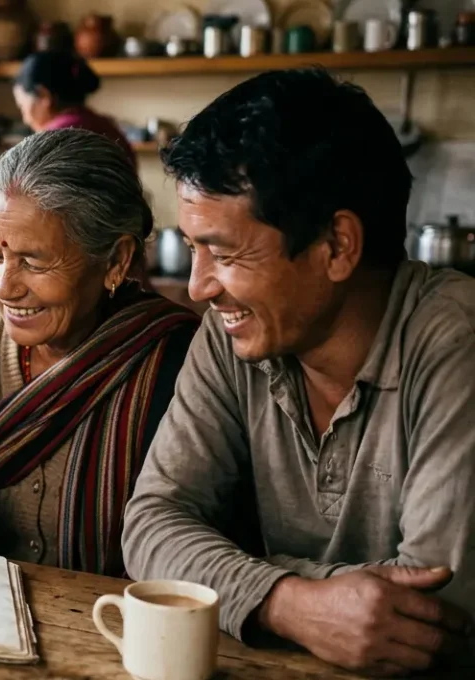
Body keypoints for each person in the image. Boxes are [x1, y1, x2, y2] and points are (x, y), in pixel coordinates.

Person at [122, 68, 475, 675]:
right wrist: (290, 603)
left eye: (226, 253)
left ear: (337, 246)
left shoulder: (455, 344)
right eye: (193, 247)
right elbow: (152, 524)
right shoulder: (236, 332)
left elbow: (431, 620)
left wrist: (236, 571)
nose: (200, 286)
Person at [0, 128, 198, 575]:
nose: (5, 285)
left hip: (120, 621)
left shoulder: (175, 360)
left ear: (115, 261)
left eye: (33, 261)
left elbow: (194, 537)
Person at [0, 51, 135, 275]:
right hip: (118, 267)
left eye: (22, 106)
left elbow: (11, 193)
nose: (25, 117)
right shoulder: (108, 128)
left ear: (44, 97)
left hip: (78, 273)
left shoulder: (56, 139)